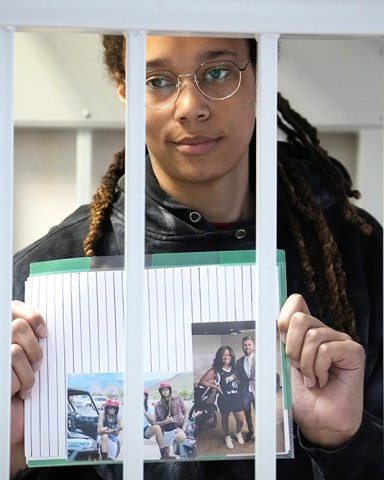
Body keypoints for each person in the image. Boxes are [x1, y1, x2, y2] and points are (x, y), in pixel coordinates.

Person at [10, 34, 382, 479]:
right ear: (126, 91)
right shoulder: (45, 282)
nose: (190, 107)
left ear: (261, 77)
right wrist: (10, 454)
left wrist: (345, 440)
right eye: (157, 81)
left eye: (218, 72)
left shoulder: (354, 254)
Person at [199, 346, 245, 449]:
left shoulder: (234, 368)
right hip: (224, 399)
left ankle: (238, 433)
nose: (226, 357)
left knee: (241, 420)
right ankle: (227, 436)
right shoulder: (216, 370)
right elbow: (203, 381)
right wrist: (215, 386)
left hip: (236, 398)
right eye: (223, 355)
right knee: (225, 418)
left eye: (228, 355)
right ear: (219, 357)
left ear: (231, 356)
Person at [154, 382, 188, 459]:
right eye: (163, 390)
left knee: (183, 439)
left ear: (169, 390)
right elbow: (156, 423)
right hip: (165, 431)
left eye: (166, 390)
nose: (165, 392)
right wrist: (166, 422)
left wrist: (184, 427)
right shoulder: (157, 405)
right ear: (160, 392)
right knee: (166, 455)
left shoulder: (177, 399)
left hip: (177, 427)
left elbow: (186, 412)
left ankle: (186, 459)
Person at [143, 387, 176, 460]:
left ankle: (163, 454)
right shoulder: (131, 407)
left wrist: (145, 413)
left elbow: (153, 422)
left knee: (157, 427)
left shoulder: (149, 407)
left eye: (143, 396)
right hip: (133, 430)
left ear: (146, 397)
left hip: (144, 430)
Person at [235, 336, 255, 442]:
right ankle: (251, 431)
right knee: (247, 414)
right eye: (245, 345)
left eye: (249, 344)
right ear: (242, 347)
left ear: (253, 346)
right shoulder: (238, 362)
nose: (247, 347)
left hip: (258, 392)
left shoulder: (261, 359)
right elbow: (237, 377)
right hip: (245, 393)